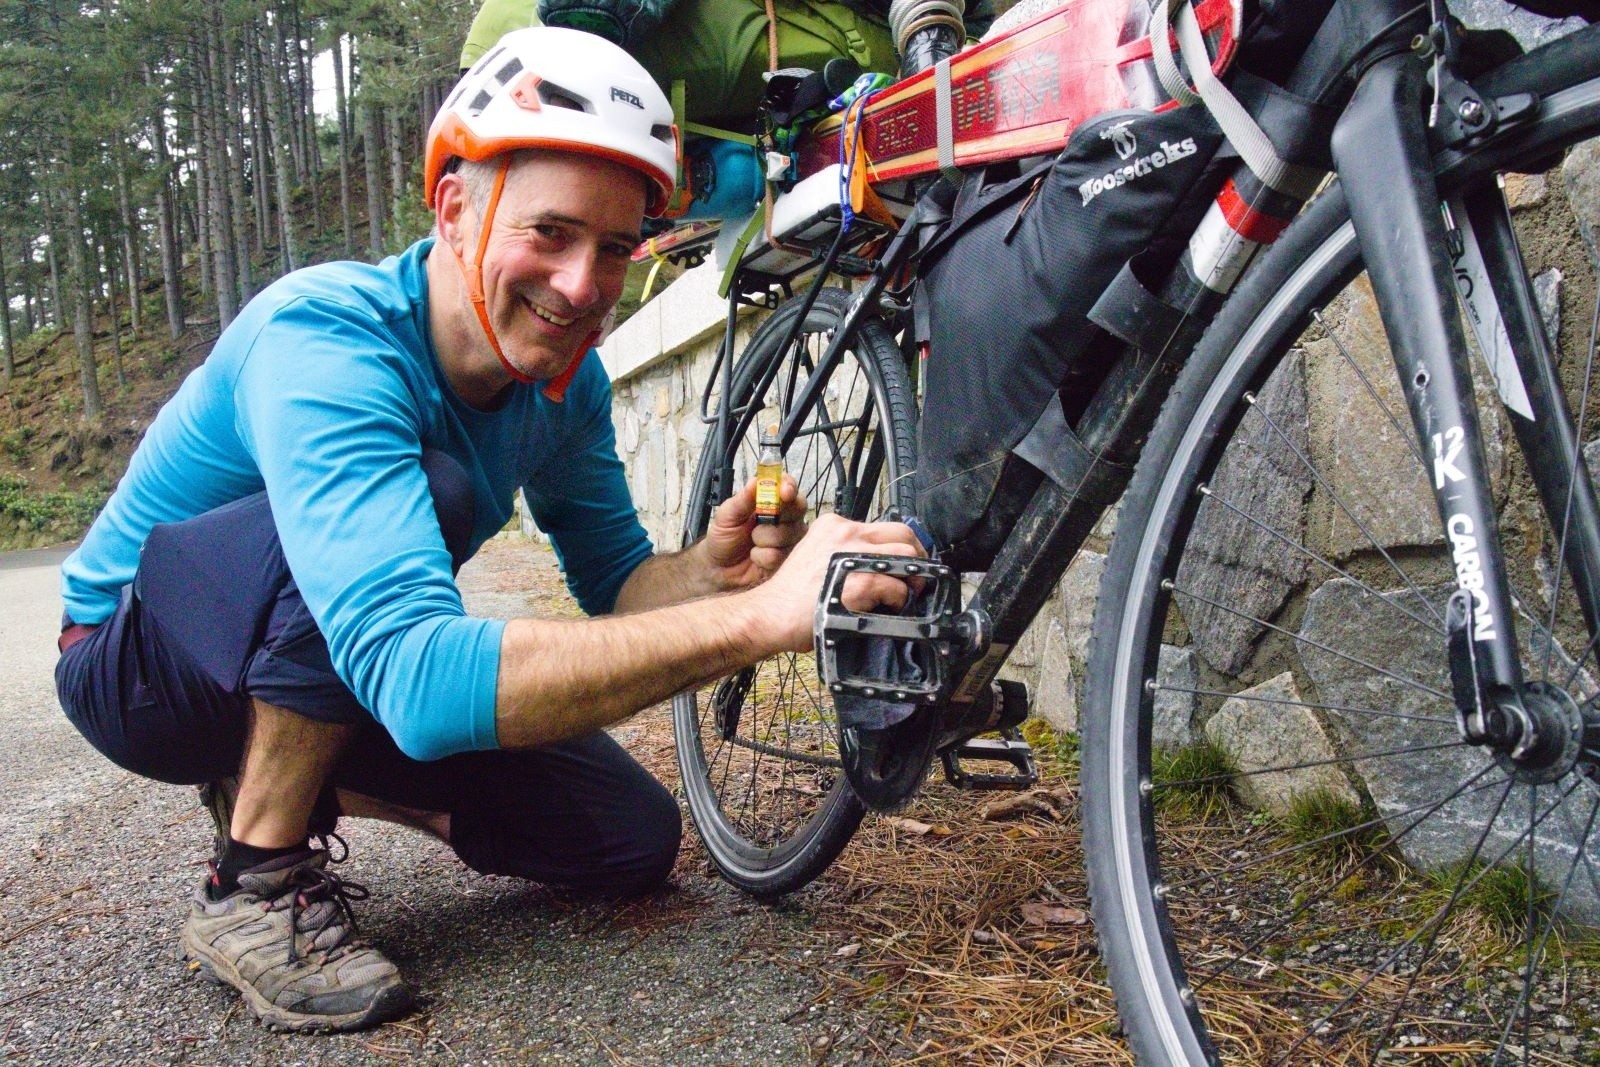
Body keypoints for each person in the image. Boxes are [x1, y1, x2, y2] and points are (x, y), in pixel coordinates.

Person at [53, 26, 921, 1035]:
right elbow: (421, 679)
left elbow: (617, 583)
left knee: (626, 840)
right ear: (458, 207)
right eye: (549, 233)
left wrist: (710, 575)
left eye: (612, 249)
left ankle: (295, 758)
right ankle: (255, 878)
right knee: (439, 488)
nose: (580, 287)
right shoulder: (327, 340)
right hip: (139, 668)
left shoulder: (566, 383)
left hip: (310, 649)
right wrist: (770, 617)